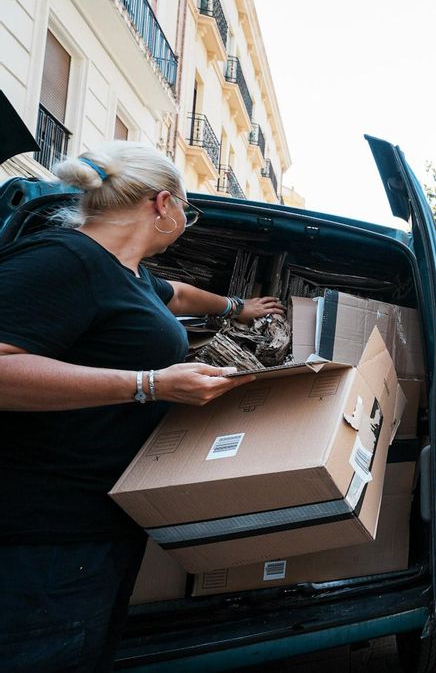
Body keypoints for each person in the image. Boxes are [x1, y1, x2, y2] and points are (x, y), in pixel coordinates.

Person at [0, 141, 284, 671]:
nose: (186, 221)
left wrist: (237, 308)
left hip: (103, 524)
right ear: (162, 204)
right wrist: (149, 384)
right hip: (42, 538)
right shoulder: (63, 259)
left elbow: (175, 293)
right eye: (187, 210)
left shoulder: (128, 275)